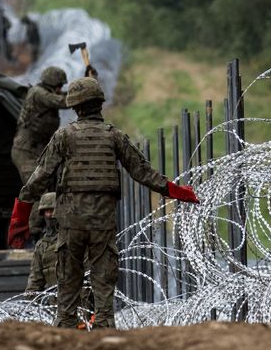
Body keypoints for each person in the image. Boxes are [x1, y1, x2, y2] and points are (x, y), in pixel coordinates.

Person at [10, 77, 199, 329]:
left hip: (71, 221)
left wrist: (19, 217)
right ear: (99, 104)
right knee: (102, 277)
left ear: (75, 107)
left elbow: (39, 177)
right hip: (103, 222)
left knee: (68, 278)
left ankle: (66, 327)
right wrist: (179, 191)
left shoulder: (63, 137)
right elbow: (144, 173)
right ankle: (103, 327)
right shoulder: (115, 137)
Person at [11, 66, 68, 239]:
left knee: (50, 187)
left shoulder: (46, 94)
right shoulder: (38, 93)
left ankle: (42, 231)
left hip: (37, 151)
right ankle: (32, 234)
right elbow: (62, 101)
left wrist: (88, 81)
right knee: (37, 190)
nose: (60, 89)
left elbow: (64, 98)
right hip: (25, 151)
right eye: (59, 86)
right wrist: (86, 89)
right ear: (51, 83)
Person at [25, 193, 59, 293]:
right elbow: (35, 281)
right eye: (46, 211)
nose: (49, 215)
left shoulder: (74, 238)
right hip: (53, 302)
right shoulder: (41, 246)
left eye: (52, 210)